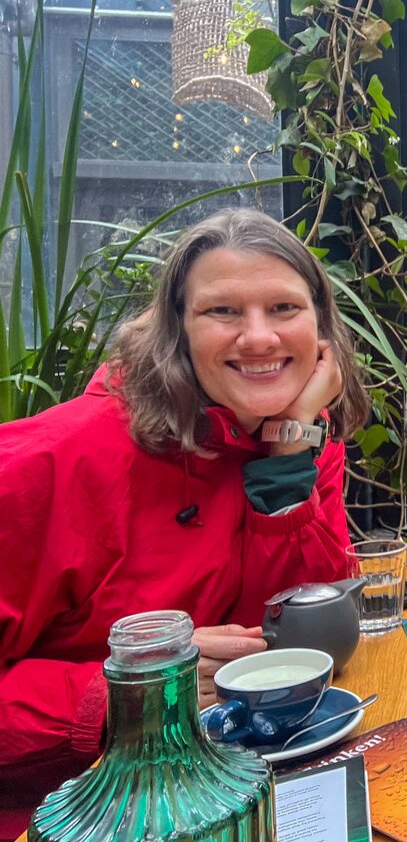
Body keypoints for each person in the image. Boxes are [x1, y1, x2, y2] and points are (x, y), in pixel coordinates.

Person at [0, 208, 370, 836]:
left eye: (284, 308)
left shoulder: (303, 438)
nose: (259, 338)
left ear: (321, 328)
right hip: (68, 812)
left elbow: (306, 641)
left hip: (242, 787)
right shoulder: (48, 462)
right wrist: (129, 695)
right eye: (223, 311)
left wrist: (285, 467)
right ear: (176, 332)